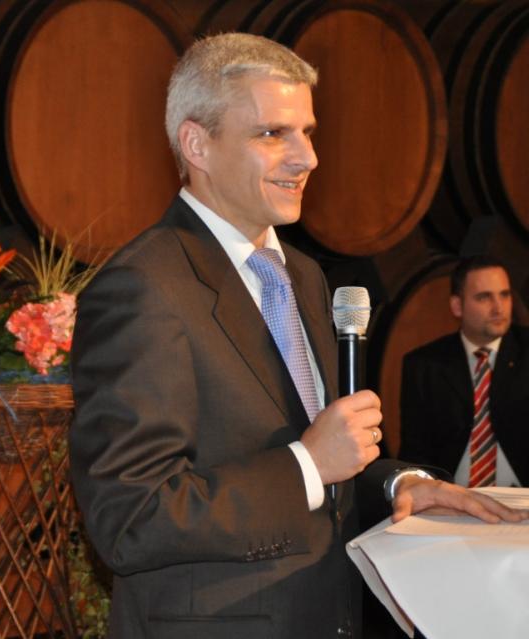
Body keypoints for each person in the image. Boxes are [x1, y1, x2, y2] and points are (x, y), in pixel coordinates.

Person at [69, 34, 526, 639]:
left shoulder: (302, 275)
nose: (307, 157)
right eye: (272, 134)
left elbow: (321, 458)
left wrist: (400, 484)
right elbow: (130, 518)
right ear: (197, 144)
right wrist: (308, 463)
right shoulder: (144, 287)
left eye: (308, 132)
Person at [400, 255, 529, 487]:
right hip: (452, 496)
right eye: (484, 297)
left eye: (504, 295)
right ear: (457, 306)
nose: (499, 308)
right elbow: (415, 452)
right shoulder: (424, 365)